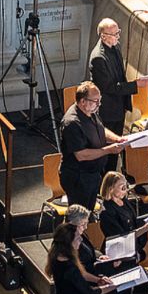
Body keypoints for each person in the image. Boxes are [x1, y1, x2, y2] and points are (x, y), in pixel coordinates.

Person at [98, 172, 148, 294]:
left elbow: (133, 222)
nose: (126, 189)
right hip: (116, 257)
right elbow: (119, 236)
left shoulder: (125, 203)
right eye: (122, 186)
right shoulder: (107, 210)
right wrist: (145, 229)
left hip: (129, 254)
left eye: (126, 186)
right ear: (111, 188)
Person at [89, 18, 147, 173]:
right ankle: (105, 182)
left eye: (118, 33)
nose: (117, 37)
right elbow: (109, 87)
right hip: (107, 110)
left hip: (118, 107)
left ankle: (113, 177)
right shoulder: (98, 58)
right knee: (107, 149)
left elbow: (120, 76)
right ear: (103, 36)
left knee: (117, 147)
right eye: (114, 34)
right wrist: (135, 85)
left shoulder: (115, 47)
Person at [59, 82, 127, 211]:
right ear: (83, 101)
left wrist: (117, 138)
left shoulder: (90, 111)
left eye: (99, 100)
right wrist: (109, 150)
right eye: (95, 101)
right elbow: (81, 155)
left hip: (92, 174)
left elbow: (100, 129)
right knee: (79, 215)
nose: (99, 104)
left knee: (88, 212)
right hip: (78, 177)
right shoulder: (72, 123)